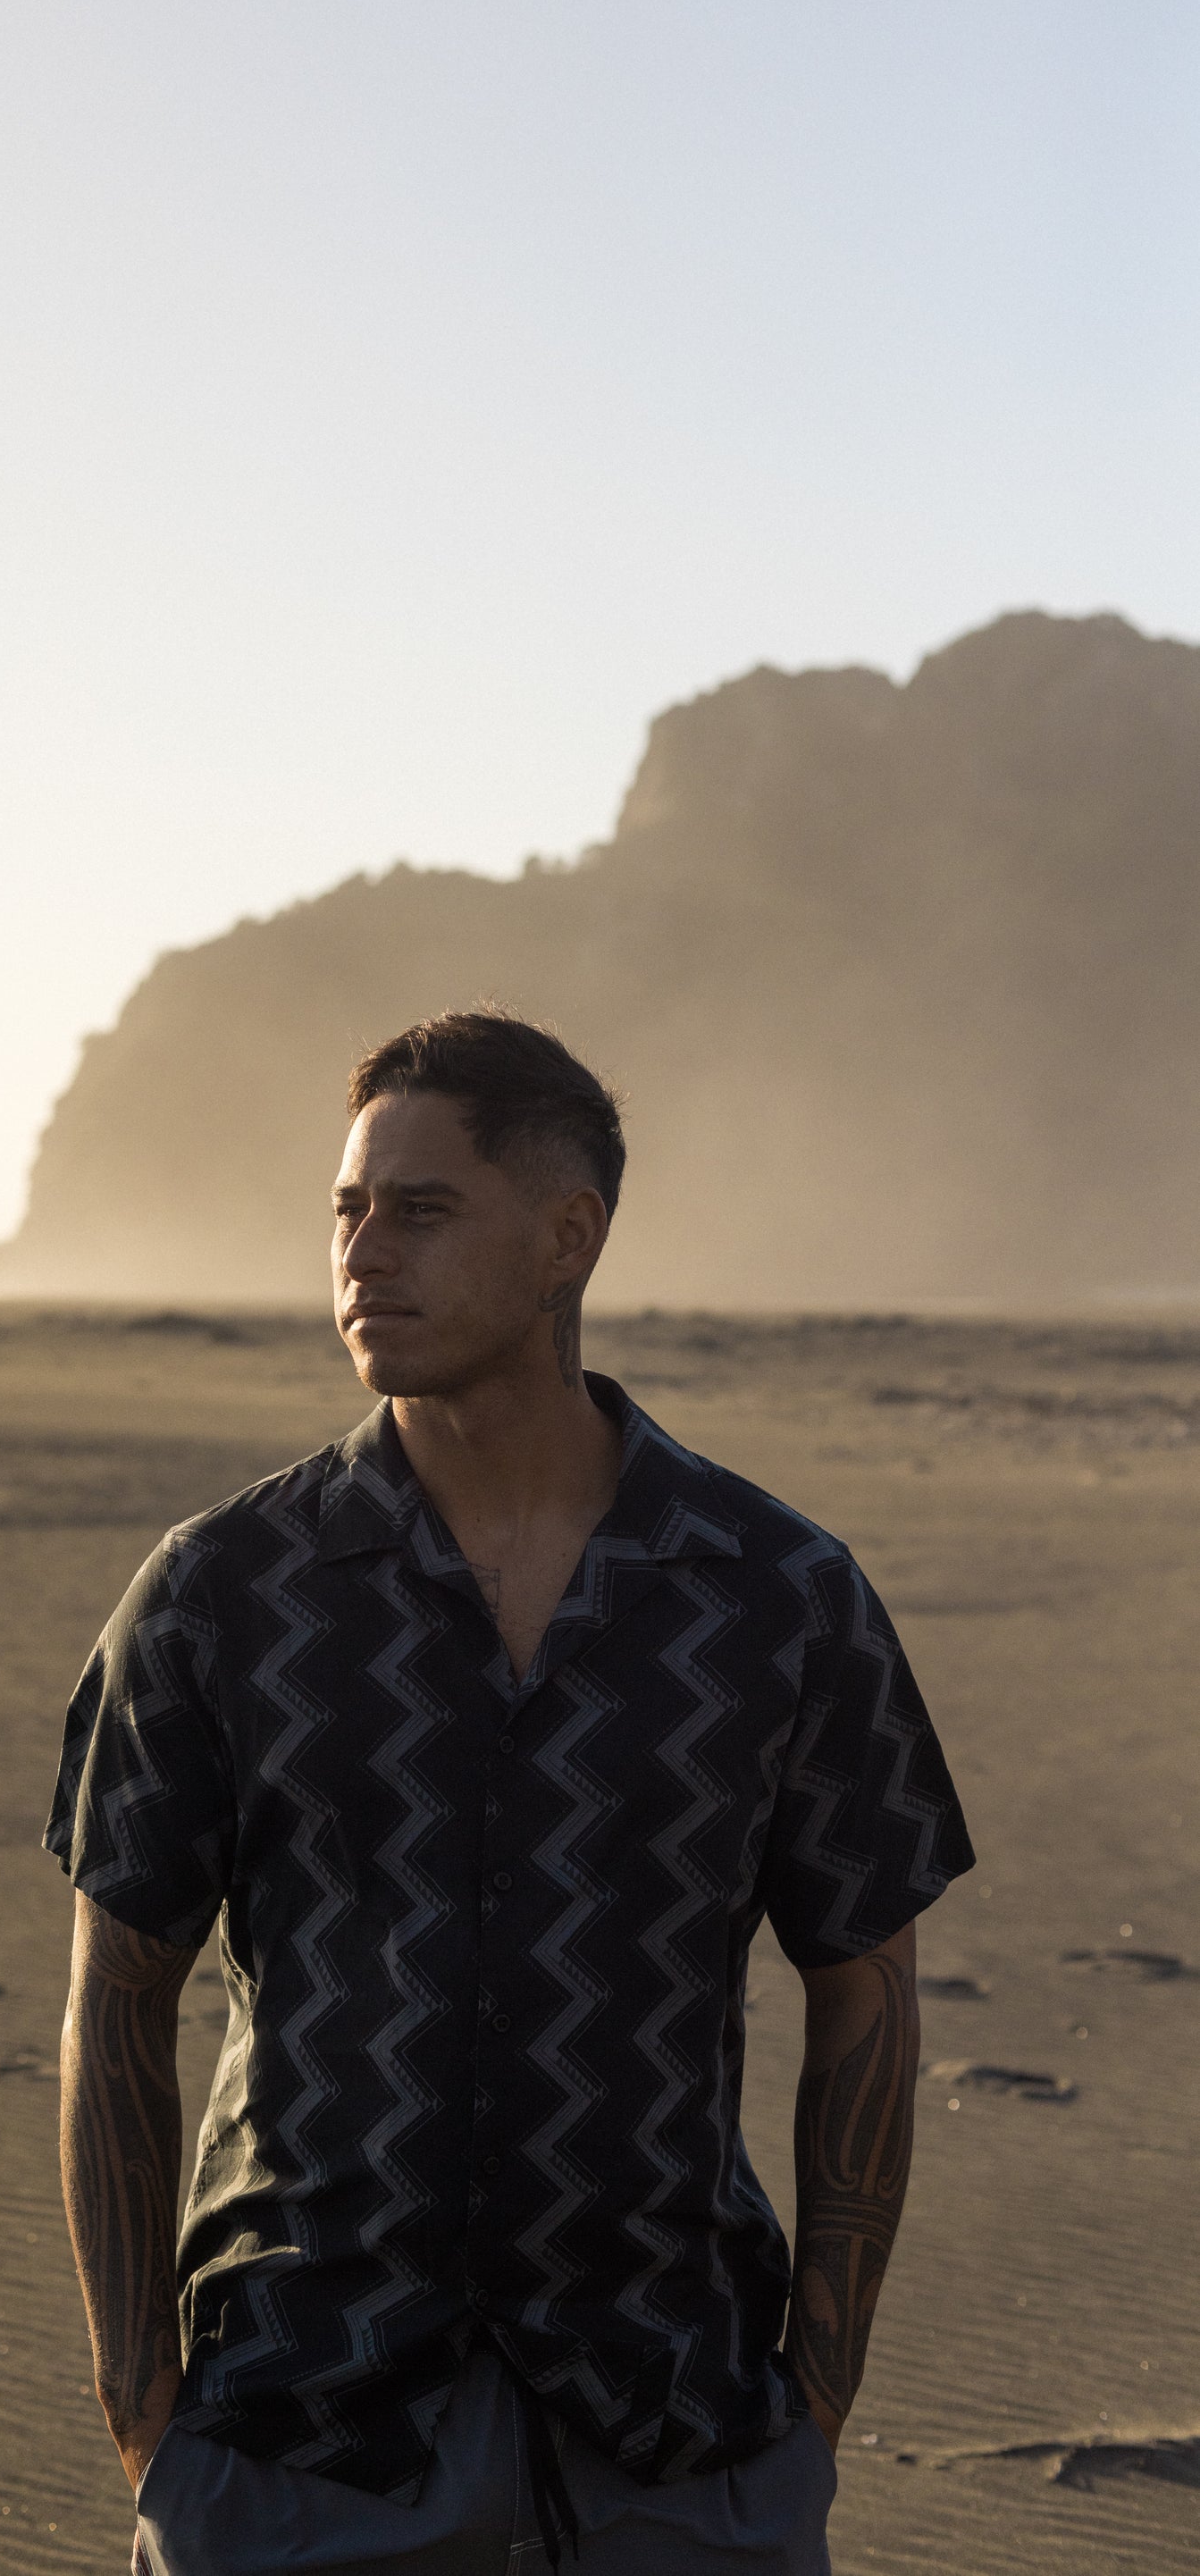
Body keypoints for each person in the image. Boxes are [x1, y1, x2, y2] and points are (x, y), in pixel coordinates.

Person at [51, 1011, 973, 2575]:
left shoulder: (776, 1595)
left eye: (420, 1209)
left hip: (671, 2432)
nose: (362, 1252)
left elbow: (865, 1995)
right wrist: (145, 2406)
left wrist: (815, 2393)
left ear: (566, 1238)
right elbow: (113, 2000)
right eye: (346, 1209)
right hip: (302, 2428)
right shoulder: (227, 1592)